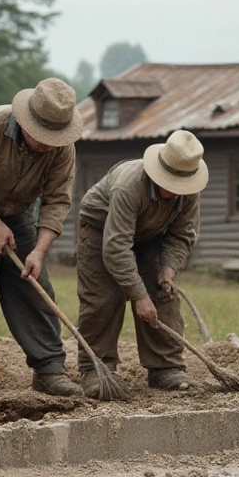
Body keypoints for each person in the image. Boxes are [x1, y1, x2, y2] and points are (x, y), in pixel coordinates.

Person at [0, 78, 86, 413]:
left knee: (36, 288)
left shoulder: (62, 147)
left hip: (20, 215)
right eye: (42, 137)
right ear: (25, 122)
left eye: (54, 139)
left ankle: (49, 369)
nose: (48, 145)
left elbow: (56, 202)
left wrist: (38, 250)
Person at [74, 130, 208, 396]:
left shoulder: (190, 189)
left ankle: (164, 368)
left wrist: (168, 270)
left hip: (150, 234)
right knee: (104, 299)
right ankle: (96, 367)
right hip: (102, 231)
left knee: (164, 295)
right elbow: (116, 247)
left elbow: (182, 235)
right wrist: (138, 295)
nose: (175, 190)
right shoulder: (129, 185)